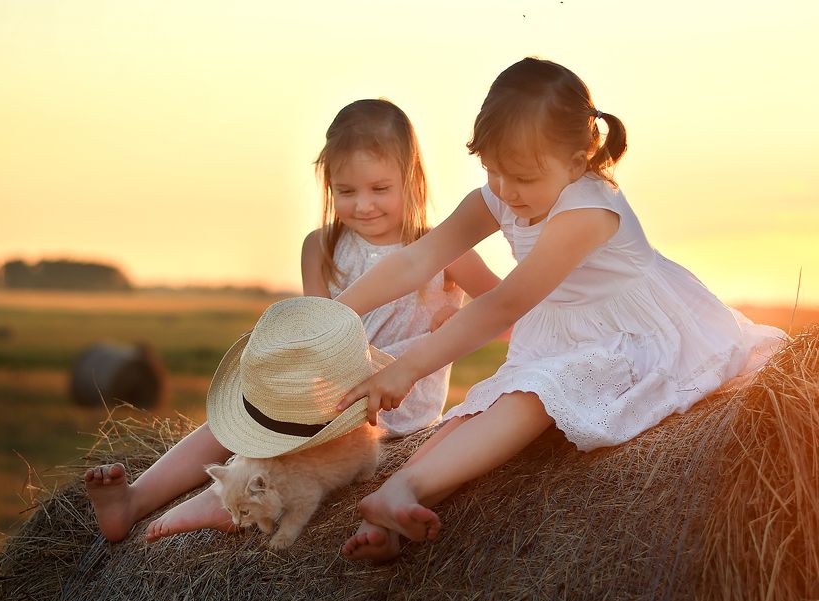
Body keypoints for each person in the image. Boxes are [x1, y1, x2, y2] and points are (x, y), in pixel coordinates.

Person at [334, 57, 787, 563]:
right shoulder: (503, 194)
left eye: (522, 176)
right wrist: (334, 312)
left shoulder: (588, 210)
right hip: (559, 332)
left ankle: (409, 487)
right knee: (479, 409)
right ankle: (398, 499)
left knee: (535, 394)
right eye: (492, 171)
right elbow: (417, 258)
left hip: (630, 335)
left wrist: (408, 368)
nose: (505, 191)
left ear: (577, 161)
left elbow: (505, 303)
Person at [84, 99, 498, 543]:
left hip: (392, 404)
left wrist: (452, 321)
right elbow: (313, 335)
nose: (363, 205)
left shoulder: (441, 247)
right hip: (327, 392)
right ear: (328, 186)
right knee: (237, 420)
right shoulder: (319, 247)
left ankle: (222, 499)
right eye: (346, 191)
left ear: (410, 180)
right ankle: (135, 499)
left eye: (380, 189)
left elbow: (507, 309)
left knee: (304, 444)